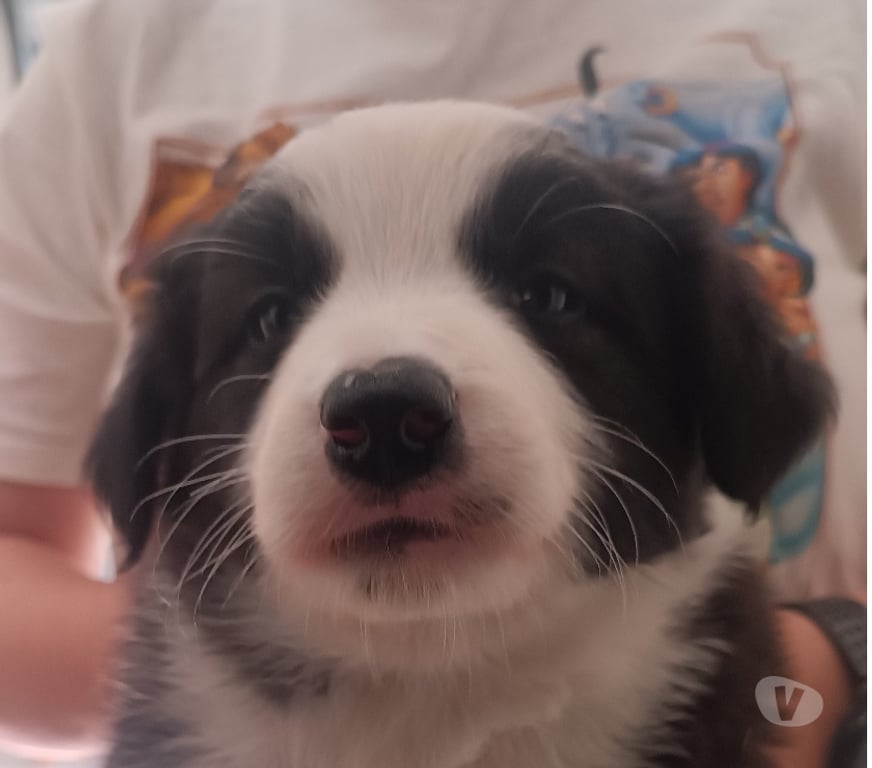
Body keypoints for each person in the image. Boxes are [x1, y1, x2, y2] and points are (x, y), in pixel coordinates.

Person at [0, 1, 864, 766]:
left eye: (549, 295)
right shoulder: (126, 43)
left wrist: (830, 674)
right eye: (267, 320)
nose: (381, 405)